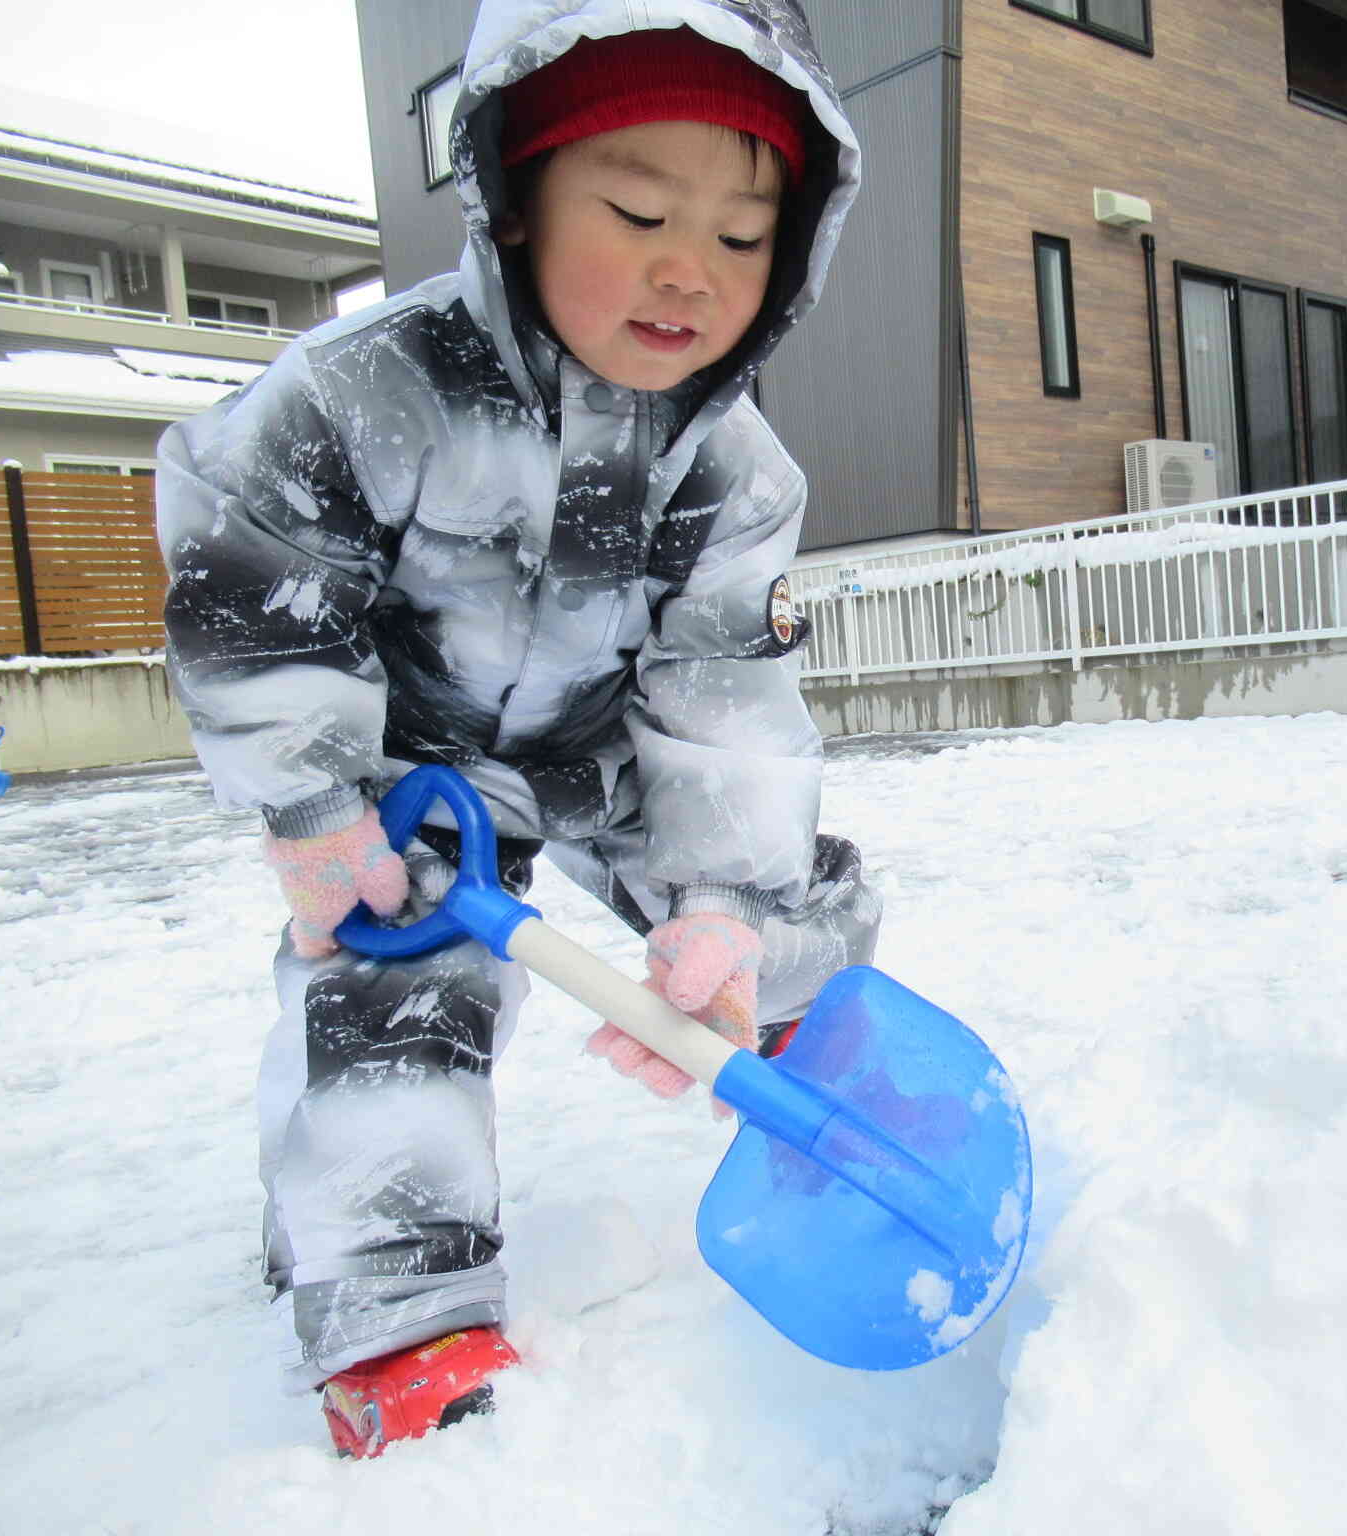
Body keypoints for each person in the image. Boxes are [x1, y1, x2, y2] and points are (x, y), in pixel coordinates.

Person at [154, 0, 875, 1459]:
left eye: (745, 236)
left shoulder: (733, 469)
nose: (692, 268)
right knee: (394, 980)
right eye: (637, 209)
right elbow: (250, 572)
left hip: (610, 738)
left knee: (787, 894)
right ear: (516, 202)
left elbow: (726, 692)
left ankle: (819, 1101)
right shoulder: (372, 387)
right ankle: (398, 1305)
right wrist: (309, 801)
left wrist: (724, 903)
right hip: (414, 770)